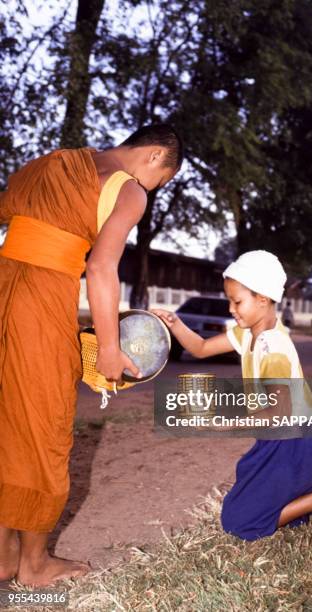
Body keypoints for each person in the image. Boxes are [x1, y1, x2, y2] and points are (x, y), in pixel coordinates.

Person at [0, 124, 183, 586]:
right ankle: (34, 567)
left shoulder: (52, 162)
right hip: (39, 306)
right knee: (43, 427)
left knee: (5, 422)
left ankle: (2, 555)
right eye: (160, 179)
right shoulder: (129, 190)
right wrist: (109, 349)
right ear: (157, 154)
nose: (151, 189)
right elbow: (100, 267)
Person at [152, 250, 312, 541]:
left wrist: (224, 422)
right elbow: (199, 348)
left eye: (237, 301)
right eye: (230, 300)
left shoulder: (273, 348)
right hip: (280, 439)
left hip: (294, 443)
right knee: (247, 506)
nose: (230, 308)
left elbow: (279, 412)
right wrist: (174, 323)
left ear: (262, 299)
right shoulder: (247, 333)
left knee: (239, 522)